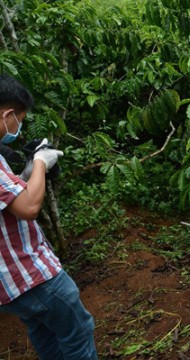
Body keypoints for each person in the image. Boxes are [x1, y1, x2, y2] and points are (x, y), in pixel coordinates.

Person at [0, 74, 98, 359]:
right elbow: (29, 207)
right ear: (7, 115)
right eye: (19, 119)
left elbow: (10, 199)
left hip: (10, 284)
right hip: (30, 275)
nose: (18, 127)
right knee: (77, 332)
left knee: (45, 335)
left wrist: (29, 173)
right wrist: (41, 162)